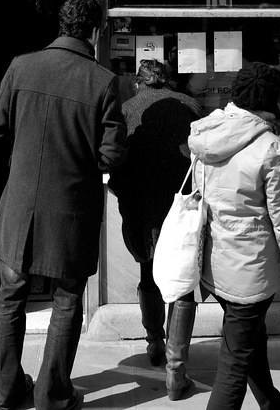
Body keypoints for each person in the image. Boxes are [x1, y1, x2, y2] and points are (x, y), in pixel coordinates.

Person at [0, 0, 128, 410]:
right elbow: (111, 153)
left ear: (61, 24)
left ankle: (7, 389)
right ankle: (53, 395)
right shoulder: (102, 81)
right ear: (96, 31)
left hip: (20, 202)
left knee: (11, 292)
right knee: (67, 299)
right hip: (71, 206)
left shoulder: (21, 65)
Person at [188, 62, 280, 410]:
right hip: (249, 271)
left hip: (215, 263)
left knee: (249, 343)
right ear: (272, 101)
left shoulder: (208, 132)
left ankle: (272, 405)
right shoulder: (270, 147)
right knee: (234, 365)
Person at [108, 59, 203, 401]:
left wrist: (123, 193)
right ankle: (176, 370)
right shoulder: (190, 105)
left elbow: (118, 158)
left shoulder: (129, 108)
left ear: (140, 83)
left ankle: (153, 342)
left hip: (142, 206)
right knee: (182, 281)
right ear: (167, 82)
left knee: (148, 272)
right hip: (181, 204)